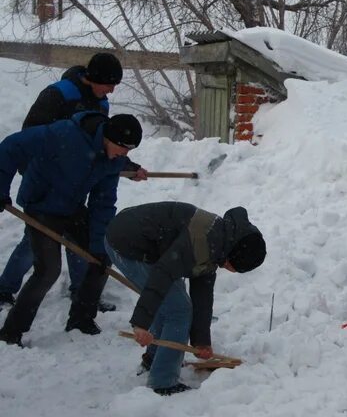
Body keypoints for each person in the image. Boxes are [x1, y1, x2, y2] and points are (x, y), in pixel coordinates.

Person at [0, 52, 146, 312]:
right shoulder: (59, 94)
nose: (112, 91)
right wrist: (35, 178)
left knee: (82, 240)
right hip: (44, 181)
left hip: (75, 185)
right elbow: (28, 137)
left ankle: (82, 293)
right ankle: (5, 289)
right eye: (109, 84)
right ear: (94, 78)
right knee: (36, 242)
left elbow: (104, 144)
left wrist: (124, 165)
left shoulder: (101, 105)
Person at [0, 112, 143, 346]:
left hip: (71, 207)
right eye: (123, 148)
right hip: (40, 205)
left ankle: (81, 320)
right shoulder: (64, 134)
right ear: (109, 137)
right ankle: (11, 331)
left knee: (101, 258)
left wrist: (98, 246)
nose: (124, 155)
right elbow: (10, 147)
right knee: (48, 270)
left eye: (129, 151)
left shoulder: (112, 161)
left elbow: (103, 203)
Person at [104, 201, 266, 396]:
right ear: (234, 257)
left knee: (173, 301)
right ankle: (162, 383)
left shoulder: (219, 241)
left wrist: (201, 341)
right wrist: (140, 324)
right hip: (127, 245)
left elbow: (203, 294)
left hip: (148, 243)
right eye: (237, 268)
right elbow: (161, 278)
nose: (233, 271)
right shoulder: (200, 242)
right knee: (178, 309)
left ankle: (154, 358)